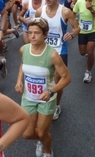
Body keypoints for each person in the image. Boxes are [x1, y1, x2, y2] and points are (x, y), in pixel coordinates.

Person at [15, 18, 71, 157]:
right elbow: (23, 64)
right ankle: (41, 140)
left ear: (45, 35)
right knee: (27, 134)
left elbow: (67, 78)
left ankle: (47, 149)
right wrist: (19, 80)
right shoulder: (24, 49)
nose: (32, 36)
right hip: (28, 98)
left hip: (46, 99)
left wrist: (51, 91)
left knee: (41, 132)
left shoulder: (52, 55)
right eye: (30, 32)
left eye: (37, 33)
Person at [35, 0, 79, 120]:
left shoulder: (65, 12)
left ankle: (57, 105)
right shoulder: (39, 11)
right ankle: (42, 100)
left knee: (57, 81)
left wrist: (71, 34)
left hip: (60, 50)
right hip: (43, 50)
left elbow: (77, 28)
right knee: (42, 78)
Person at [73, 0, 95, 83]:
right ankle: (89, 55)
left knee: (90, 52)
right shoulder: (79, 3)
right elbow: (72, 14)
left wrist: (92, 10)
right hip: (82, 31)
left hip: (92, 30)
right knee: (83, 53)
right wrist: (74, 25)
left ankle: (88, 72)